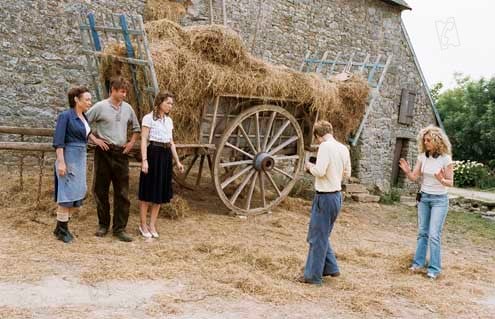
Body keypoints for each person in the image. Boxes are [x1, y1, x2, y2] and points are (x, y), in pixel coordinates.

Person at [86, 77, 141, 242]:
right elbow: (82, 122)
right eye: (121, 91)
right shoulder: (100, 107)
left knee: (122, 193)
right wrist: (95, 140)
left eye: (125, 91)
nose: (124, 94)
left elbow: (136, 128)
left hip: (121, 153)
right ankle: (103, 225)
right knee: (101, 190)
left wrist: (131, 142)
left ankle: (119, 229)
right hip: (104, 152)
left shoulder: (128, 108)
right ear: (113, 90)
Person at [299, 120, 351, 285]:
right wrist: (334, 175)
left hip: (325, 196)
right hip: (336, 197)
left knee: (317, 238)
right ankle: (331, 268)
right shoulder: (343, 148)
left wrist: (308, 166)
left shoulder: (325, 147)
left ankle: (313, 277)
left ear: (317, 136)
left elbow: (319, 171)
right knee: (322, 234)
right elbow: (347, 173)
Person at [399, 125, 454, 279]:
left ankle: (434, 269)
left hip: (439, 200)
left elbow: (450, 182)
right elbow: (414, 177)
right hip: (424, 198)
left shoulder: (445, 159)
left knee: (434, 235)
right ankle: (418, 263)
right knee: (422, 233)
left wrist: (441, 179)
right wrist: (407, 171)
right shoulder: (423, 157)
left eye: (428, 140)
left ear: (437, 141)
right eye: (424, 140)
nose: (426, 143)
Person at [138, 91, 184, 238]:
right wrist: (144, 160)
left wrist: (177, 161)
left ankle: (152, 224)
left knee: (159, 192)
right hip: (153, 154)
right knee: (147, 191)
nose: (170, 106)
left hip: (165, 156)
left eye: (171, 104)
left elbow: (171, 142)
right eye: (168, 103)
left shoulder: (169, 121)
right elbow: (144, 140)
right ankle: (143, 224)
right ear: (160, 103)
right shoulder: (148, 118)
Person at [52, 86, 92, 243]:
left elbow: (86, 135)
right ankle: (62, 230)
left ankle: (59, 227)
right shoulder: (65, 116)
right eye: (87, 99)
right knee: (66, 193)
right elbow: (59, 141)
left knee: (77, 192)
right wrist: (61, 162)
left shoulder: (84, 117)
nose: (90, 102)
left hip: (80, 157)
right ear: (76, 99)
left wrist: (97, 140)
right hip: (68, 157)